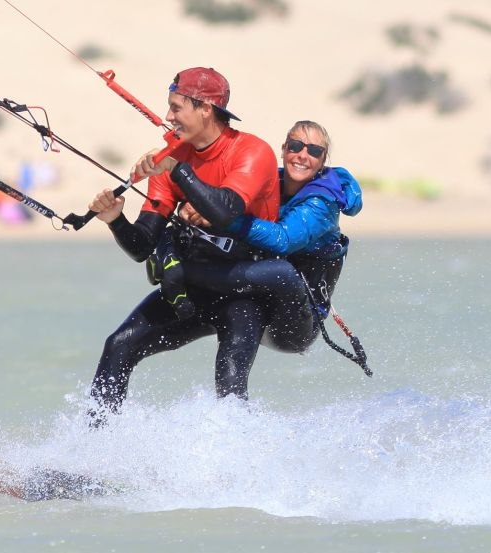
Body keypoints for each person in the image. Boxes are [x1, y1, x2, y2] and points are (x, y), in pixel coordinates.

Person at [86, 67, 279, 422]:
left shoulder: (252, 151)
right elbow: (142, 246)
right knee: (119, 344)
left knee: (230, 378)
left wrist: (176, 168)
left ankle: (239, 452)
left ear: (205, 108)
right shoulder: (171, 158)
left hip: (245, 290)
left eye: (176, 107)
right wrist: (115, 219)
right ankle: (91, 445)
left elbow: (225, 210)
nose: (169, 116)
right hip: (193, 289)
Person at [159, 120, 362, 354]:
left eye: (314, 151)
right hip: (256, 294)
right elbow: (223, 201)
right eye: (296, 146)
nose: (303, 155)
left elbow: (282, 240)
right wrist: (194, 207)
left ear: (323, 160)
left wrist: (222, 218)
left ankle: (180, 272)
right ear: (283, 149)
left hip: (296, 321)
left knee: (283, 273)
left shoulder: (323, 202)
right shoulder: (270, 181)